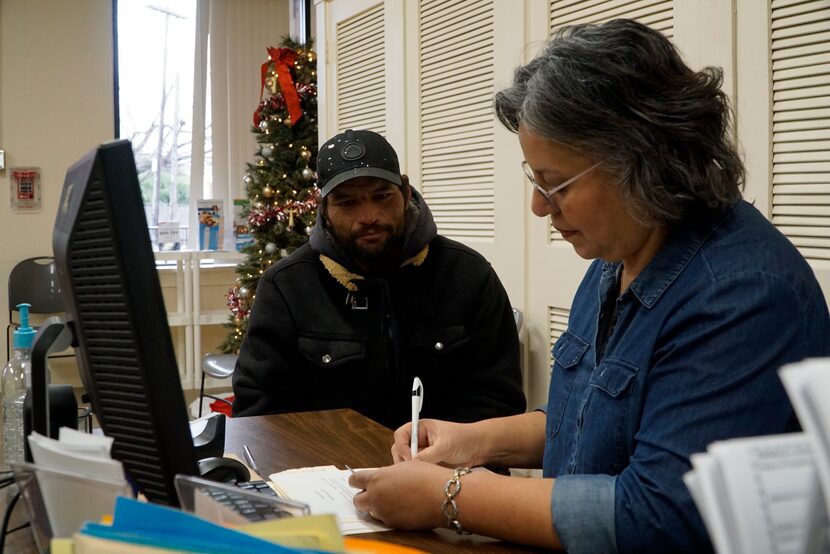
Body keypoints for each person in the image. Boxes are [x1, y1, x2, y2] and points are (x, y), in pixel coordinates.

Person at [348, 19, 830, 553]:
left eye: (556, 184)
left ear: (642, 160)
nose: (539, 206)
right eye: (536, 181)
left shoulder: (742, 296)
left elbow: (658, 515)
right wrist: (472, 441)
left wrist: (451, 495)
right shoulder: (619, 254)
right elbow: (600, 417)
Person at [232, 129, 526, 429]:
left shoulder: (469, 275)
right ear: (325, 210)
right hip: (327, 471)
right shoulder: (287, 287)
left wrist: (438, 456)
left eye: (382, 196)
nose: (369, 216)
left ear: (406, 192)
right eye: (347, 203)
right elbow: (260, 414)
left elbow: (498, 402)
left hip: (446, 468)